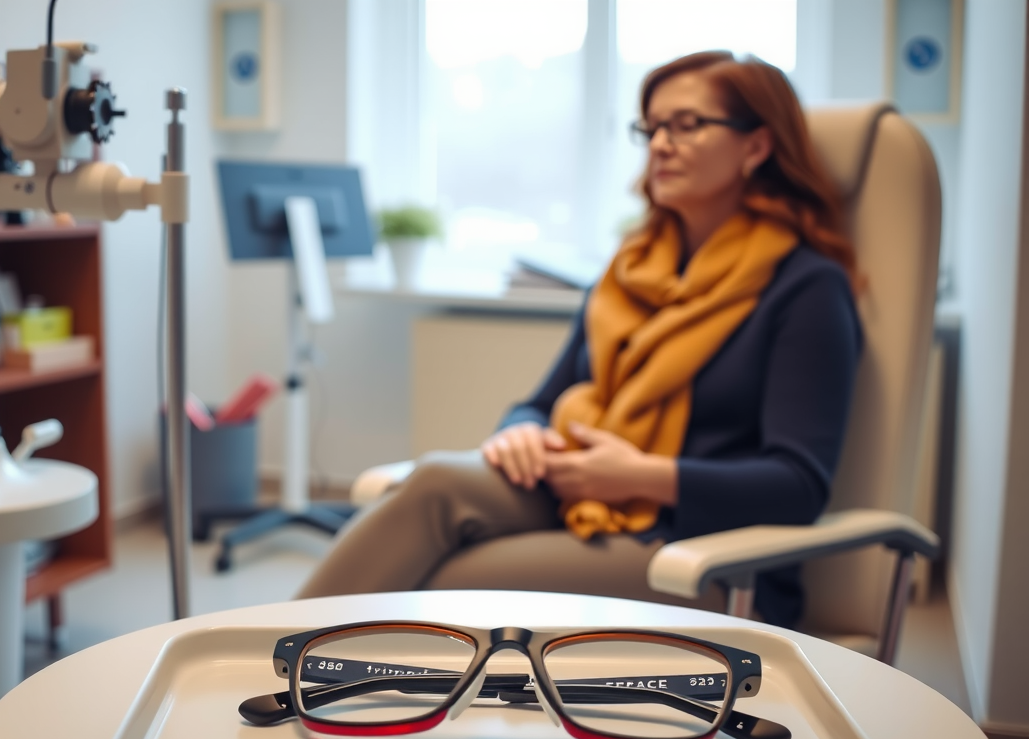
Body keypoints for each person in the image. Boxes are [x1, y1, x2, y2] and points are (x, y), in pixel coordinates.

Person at [296, 51, 862, 629]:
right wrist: (522, 432)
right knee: (438, 478)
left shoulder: (807, 287)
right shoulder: (629, 270)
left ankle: (267, 673)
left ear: (756, 147)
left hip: (707, 557)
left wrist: (640, 475)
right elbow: (542, 401)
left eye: (687, 125)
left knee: (437, 579)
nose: (661, 144)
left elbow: (798, 485)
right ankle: (263, 658)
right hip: (584, 495)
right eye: (652, 127)